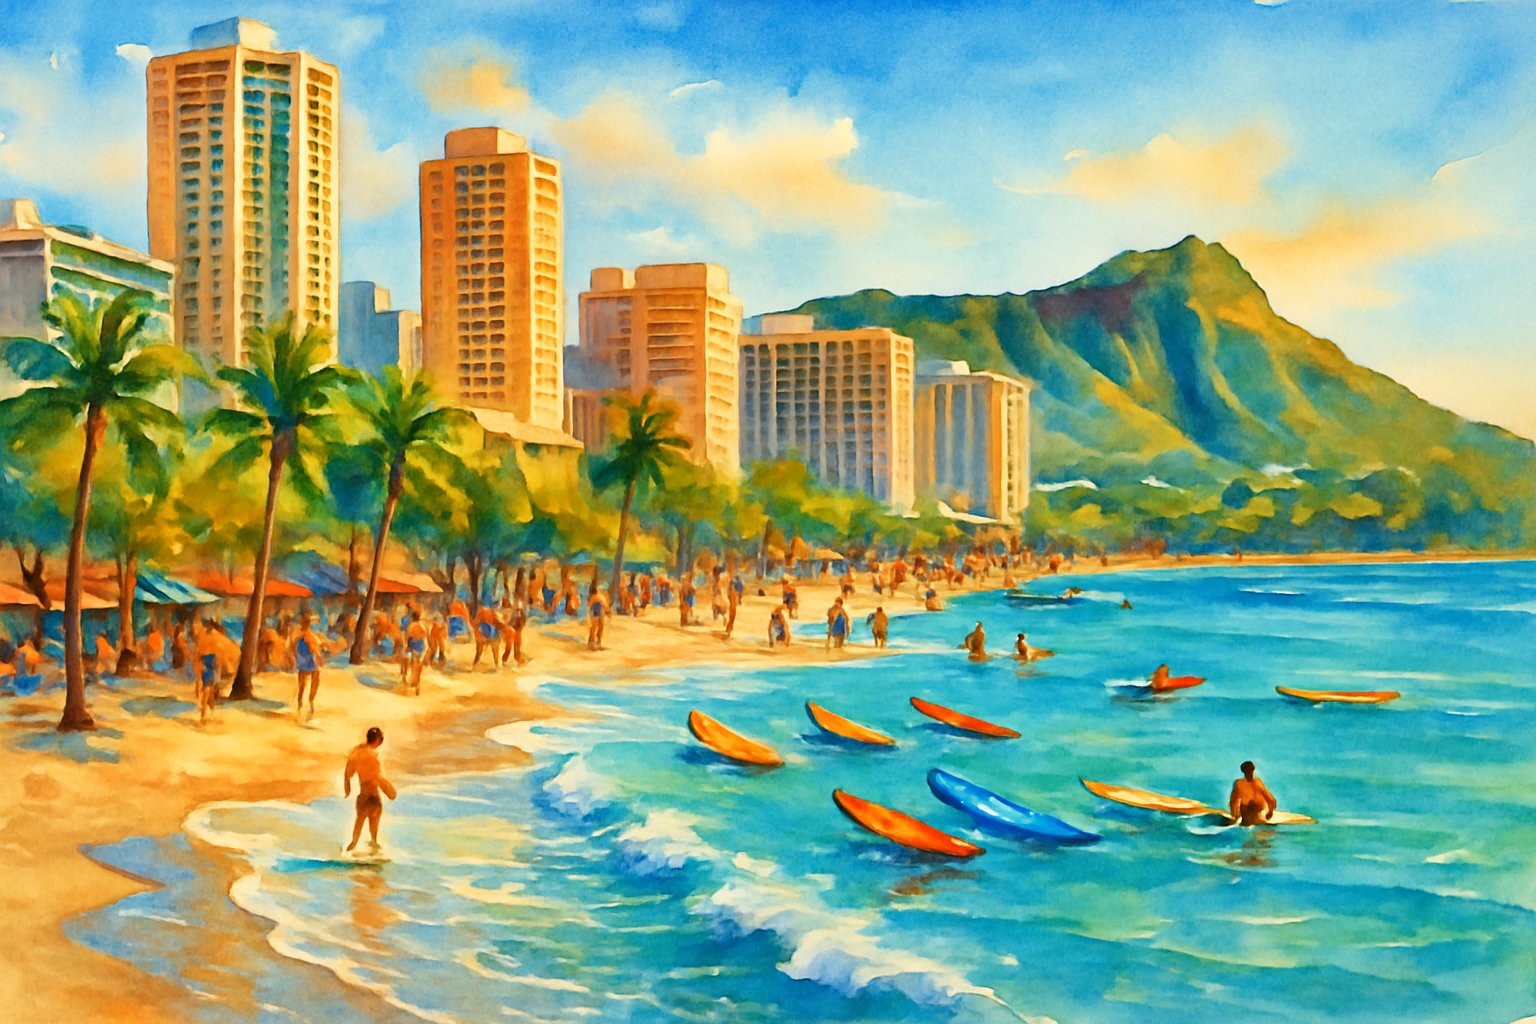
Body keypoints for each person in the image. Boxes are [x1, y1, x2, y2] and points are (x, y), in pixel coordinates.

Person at [344, 727, 397, 853]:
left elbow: (348, 774)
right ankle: (373, 845)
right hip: (373, 796)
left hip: (363, 795)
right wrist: (390, 791)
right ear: (378, 740)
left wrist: (348, 789)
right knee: (374, 827)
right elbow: (376, 776)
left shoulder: (356, 754)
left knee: (359, 822)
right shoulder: (373, 756)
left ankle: (351, 848)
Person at [293, 613, 326, 718]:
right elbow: (314, 646)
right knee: (308, 682)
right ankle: (305, 701)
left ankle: (304, 701)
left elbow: (315, 645)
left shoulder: (306, 633)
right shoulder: (305, 633)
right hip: (306, 658)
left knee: (307, 682)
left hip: (306, 659)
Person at [1228, 761, 1278, 826]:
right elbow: (1233, 801)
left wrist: (1270, 812)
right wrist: (1234, 814)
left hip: (1256, 815)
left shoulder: (1257, 783)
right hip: (1248, 816)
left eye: (1250, 771)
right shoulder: (1239, 784)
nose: (1249, 774)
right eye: (1248, 772)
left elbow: (1271, 800)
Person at [402, 610, 428, 693]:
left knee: (414, 664)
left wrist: (407, 646)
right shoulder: (422, 625)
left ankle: (414, 681)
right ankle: (416, 682)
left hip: (414, 645)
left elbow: (408, 636)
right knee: (418, 664)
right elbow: (425, 636)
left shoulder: (411, 626)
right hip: (421, 645)